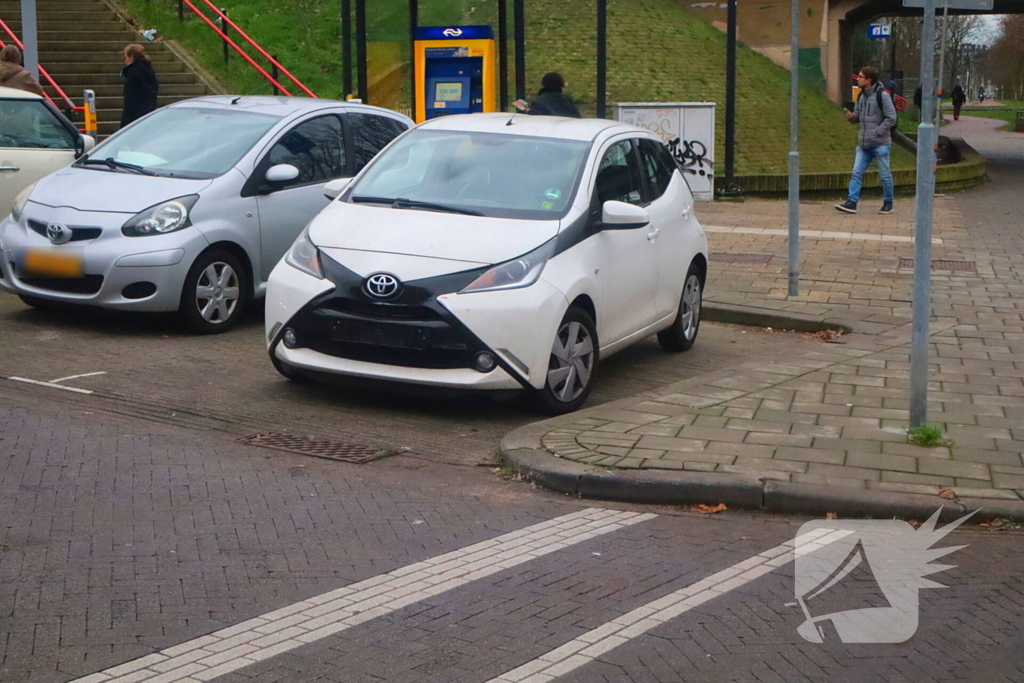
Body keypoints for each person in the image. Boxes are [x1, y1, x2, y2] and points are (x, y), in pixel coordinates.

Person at [836, 66, 896, 216]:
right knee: (856, 172)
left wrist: (877, 132)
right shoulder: (861, 96)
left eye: (861, 77)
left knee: (885, 175)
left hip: (880, 144)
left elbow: (891, 118)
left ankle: (888, 202)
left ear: (869, 80)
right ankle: (852, 202)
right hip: (863, 144)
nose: (858, 79)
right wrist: (852, 117)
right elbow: (858, 116)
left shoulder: (882, 96)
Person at [120, 43, 159, 129]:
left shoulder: (133, 73)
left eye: (126, 57)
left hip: (135, 115)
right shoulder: (148, 70)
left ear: (131, 57)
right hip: (148, 112)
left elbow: (130, 98)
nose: (125, 60)